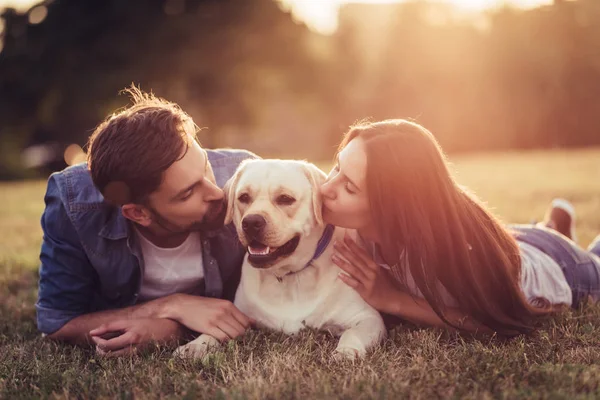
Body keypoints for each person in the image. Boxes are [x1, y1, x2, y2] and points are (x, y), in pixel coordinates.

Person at [320, 119, 600, 336]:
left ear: (392, 209)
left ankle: (560, 234)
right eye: (336, 167)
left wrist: (390, 299)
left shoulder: (453, 254)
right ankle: (555, 226)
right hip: (516, 242)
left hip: (561, 267)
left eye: (349, 187)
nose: (326, 188)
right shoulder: (350, 229)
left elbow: (493, 323)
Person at [36, 87, 257, 356]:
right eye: (188, 193)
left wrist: (171, 329)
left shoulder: (248, 180)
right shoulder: (75, 205)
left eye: (206, 167)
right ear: (138, 213)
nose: (217, 192)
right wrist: (171, 307)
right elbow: (58, 323)